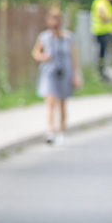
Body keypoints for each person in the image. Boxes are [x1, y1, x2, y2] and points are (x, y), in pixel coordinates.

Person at [31, 8, 81, 145]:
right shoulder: (44, 37)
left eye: (57, 20)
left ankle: (61, 132)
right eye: (52, 20)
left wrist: (76, 76)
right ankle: (50, 131)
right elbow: (35, 52)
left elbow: (73, 57)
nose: (55, 23)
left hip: (65, 72)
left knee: (62, 103)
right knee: (50, 102)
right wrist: (43, 57)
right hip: (49, 72)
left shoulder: (68, 37)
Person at [90, 0, 112, 81]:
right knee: (101, 54)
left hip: (102, 31)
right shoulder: (101, 2)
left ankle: (101, 71)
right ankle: (100, 72)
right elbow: (102, 16)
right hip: (101, 32)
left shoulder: (99, 2)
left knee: (102, 53)